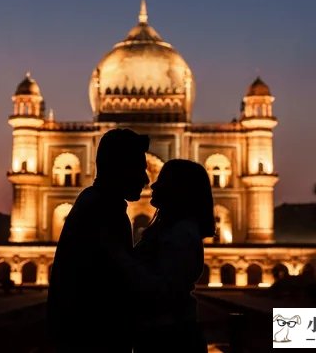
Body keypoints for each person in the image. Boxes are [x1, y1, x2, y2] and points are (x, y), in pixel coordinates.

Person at [46, 128, 150, 353]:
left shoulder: (95, 201)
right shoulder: (103, 209)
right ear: (119, 169)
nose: (146, 179)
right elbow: (120, 277)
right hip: (91, 338)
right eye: (139, 169)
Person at [133, 159, 214, 353]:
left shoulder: (182, 233)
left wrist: (120, 259)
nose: (152, 184)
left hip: (169, 336)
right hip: (168, 330)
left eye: (162, 180)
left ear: (179, 190)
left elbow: (164, 286)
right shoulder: (175, 230)